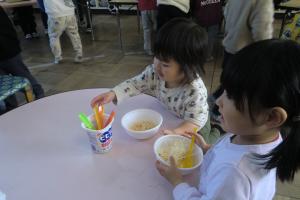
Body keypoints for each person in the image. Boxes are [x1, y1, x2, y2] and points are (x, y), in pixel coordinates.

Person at [156, 39, 300, 199]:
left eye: (231, 95)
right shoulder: (261, 136)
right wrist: (207, 149)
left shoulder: (233, 174)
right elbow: (231, 152)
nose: (219, 101)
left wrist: (177, 182)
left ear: (272, 117)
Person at [91, 18, 218, 141]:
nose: (156, 65)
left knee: (204, 144)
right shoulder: (154, 73)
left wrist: (176, 132)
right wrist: (113, 94)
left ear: (187, 67)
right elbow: (135, 84)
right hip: (171, 115)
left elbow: (193, 122)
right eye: (156, 57)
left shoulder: (195, 91)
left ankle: (216, 130)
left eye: (165, 64)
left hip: (195, 122)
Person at [0, 6, 45, 112]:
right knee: (4, 84)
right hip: (7, 49)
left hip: (8, 50)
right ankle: (11, 108)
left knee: (22, 74)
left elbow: (6, 30)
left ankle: (39, 94)